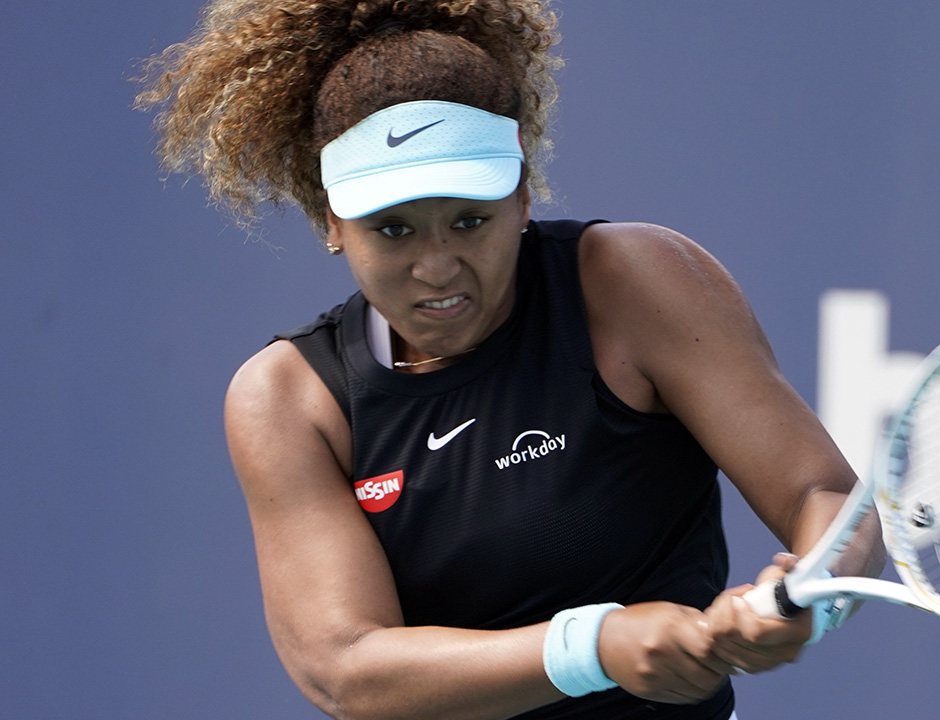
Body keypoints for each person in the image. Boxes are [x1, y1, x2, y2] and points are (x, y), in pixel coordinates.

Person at [136, 1, 884, 718]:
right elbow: (348, 671)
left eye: (469, 221)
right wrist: (594, 646)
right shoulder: (289, 399)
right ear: (332, 221)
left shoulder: (636, 283)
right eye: (393, 230)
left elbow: (822, 495)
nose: (437, 267)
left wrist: (810, 597)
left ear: (523, 194)